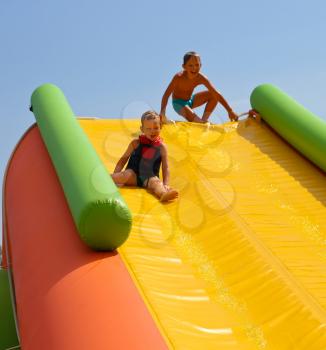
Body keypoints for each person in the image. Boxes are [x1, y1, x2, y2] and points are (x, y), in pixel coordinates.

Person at [111, 111, 178, 202]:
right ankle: (105, 179)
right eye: (148, 128)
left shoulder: (161, 147)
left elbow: (166, 167)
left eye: (156, 128)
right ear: (142, 129)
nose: (152, 131)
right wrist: (116, 174)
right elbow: (123, 160)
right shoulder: (135, 143)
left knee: (157, 183)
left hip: (149, 178)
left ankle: (163, 193)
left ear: (161, 127)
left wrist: (166, 184)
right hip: (133, 175)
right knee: (125, 174)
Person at [160, 51, 238, 123]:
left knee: (213, 95)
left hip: (190, 100)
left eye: (197, 65)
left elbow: (216, 94)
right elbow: (166, 95)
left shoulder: (201, 78)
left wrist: (230, 111)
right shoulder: (178, 77)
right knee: (198, 123)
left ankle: (204, 119)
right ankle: (200, 122)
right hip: (179, 104)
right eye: (190, 65)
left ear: (200, 65)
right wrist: (162, 112)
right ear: (184, 66)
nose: (194, 68)